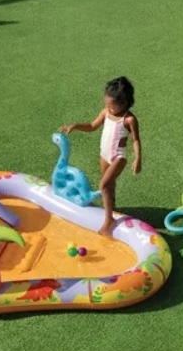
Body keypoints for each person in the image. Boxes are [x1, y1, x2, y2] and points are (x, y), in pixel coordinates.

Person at [60, 76, 142, 236]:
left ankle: (109, 220)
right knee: (109, 186)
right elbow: (92, 126)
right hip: (104, 154)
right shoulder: (106, 112)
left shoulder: (129, 119)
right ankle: (112, 208)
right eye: (107, 104)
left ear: (124, 102)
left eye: (111, 106)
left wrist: (137, 159)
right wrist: (76, 126)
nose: (108, 108)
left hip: (118, 156)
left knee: (103, 185)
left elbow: (135, 140)